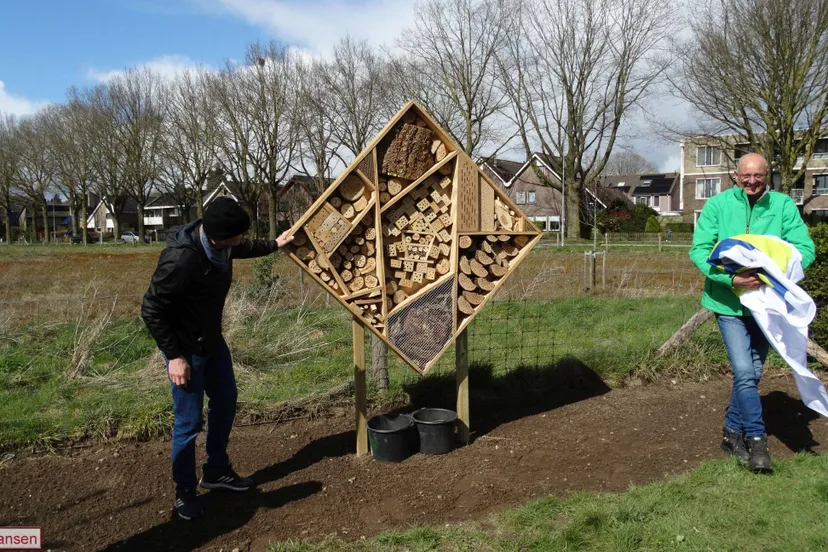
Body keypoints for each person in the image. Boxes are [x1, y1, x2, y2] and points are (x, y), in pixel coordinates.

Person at [141, 197, 293, 520]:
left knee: (226, 400)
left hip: (212, 341)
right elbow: (151, 308)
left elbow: (244, 246)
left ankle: (215, 471)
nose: (240, 241)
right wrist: (173, 357)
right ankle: (184, 491)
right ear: (219, 237)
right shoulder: (181, 260)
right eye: (236, 236)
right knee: (189, 423)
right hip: (185, 351)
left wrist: (275, 245)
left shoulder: (221, 244)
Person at [689, 153, 814, 473]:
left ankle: (731, 433)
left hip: (768, 307)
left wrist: (775, 272)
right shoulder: (717, 206)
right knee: (744, 371)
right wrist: (730, 277)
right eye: (746, 176)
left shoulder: (783, 206)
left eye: (758, 176)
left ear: (767, 175)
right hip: (729, 304)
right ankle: (757, 442)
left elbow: (804, 250)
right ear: (735, 175)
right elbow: (700, 251)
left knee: (751, 374)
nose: (752, 181)